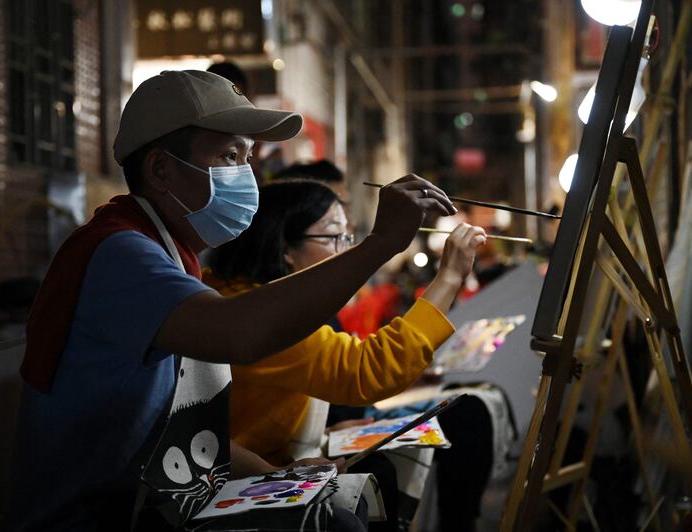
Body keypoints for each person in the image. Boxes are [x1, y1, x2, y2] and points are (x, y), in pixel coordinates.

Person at [0, 70, 458, 532]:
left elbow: (170, 429)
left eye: (248, 158)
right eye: (229, 156)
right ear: (160, 169)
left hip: (147, 502)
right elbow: (239, 333)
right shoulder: (120, 251)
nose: (247, 175)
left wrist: (273, 476)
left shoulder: (168, 255)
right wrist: (379, 245)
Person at [205, 179, 489, 531]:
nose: (344, 252)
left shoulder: (249, 295)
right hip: (228, 482)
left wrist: (324, 432)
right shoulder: (260, 312)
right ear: (285, 248)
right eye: (333, 237)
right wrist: (449, 277)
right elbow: (368, 369)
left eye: (348, 238)